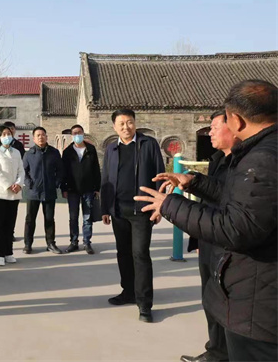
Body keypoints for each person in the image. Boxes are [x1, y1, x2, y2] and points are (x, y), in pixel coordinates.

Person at [137, 80, 277, 362]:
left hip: (259, 301)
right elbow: (241, 197)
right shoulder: (262, 151)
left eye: (218, 123)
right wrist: (195, 182)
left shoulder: (261, 158)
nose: (212, 131)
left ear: (236, 120)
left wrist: (169, 205)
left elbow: (236, 227)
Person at [179, 110, 238, 362]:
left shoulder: (243, 164)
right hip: (209, 239)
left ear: (233, 126)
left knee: (226, 302)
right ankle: (216, 351)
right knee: (209, 298)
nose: (210, 132)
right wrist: (197, 240)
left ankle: (225, 353)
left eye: (214, 127)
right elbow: (207, 202)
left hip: (228, 242)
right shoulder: (217, 160)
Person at [100, 108, 165, 323]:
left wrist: (159, 206)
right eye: (121, 124)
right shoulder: (111, 148)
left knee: (140, 254)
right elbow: (105, 178)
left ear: (135, 123)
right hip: (118, 211)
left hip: (142, 210)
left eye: (129, 122)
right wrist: (105, 208)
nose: (126, 127)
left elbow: (160, 175)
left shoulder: (148, 144)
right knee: (123, 253)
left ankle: (144, 304)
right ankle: (128, 291)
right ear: (114, 127)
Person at [22, 126, 64, 254]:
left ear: (46, 137)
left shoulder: (54, 153)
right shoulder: (29, 154)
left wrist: (56, 183)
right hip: (33, 191)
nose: (41, 137)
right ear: (34, 139)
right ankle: (28, 244)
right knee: (30, 219)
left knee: (49, 219)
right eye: (38, 135)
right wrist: (29, 184)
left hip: (49, 191)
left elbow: (60, 170)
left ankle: (51, 243)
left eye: (43, 135)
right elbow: (23, 171)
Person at [61, 125, 101, 255]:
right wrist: (64, 188)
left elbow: (96, 169)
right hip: (72, 189)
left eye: (79, 132)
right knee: (73, 217)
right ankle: (74, 242)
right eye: (74, 133)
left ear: (83, 133)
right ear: (72, 135)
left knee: (87, 217)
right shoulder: (68, 152)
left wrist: (97, 188)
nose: (77, 135)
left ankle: (87, 242)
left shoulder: (90, 149)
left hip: (88, 189)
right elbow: (63, 172)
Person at [0, 124, 25, 266]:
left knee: (10, 224)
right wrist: (9, 185)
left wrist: (19, 184)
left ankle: (9, 252)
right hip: (0, 194)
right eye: (3, 134)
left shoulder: (16, 152)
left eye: (8, 134)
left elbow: (21, 171)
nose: (7, 136)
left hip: (14, 194)